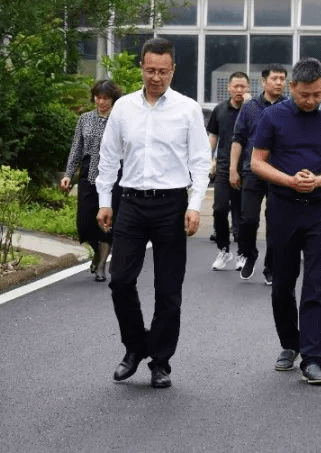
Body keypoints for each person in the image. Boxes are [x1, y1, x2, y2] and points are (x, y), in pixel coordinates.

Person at [97, 37, 210, 390]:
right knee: (120, 280)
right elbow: (108, 156)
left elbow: (200, 162)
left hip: (171, 206)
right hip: (131, 202)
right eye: (150, 70)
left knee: (168, 289)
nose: (156, 77)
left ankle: (160, 361)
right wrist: (104, 200)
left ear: (173, 70)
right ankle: (135, 346)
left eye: (163, 71)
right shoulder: (124, 108)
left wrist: (195, 205)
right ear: (141, 68)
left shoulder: (187, 109)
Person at [251, 58, 321, 385]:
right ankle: (289, 344)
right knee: (282, 283)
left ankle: (313, 358)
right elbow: (257, 162)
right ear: (292, 87)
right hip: (283, 208)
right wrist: (289, 180)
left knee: (315, 283)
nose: (311, 101)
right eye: (305, 94)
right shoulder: (272, 116)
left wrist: (319, 181)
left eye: (317, 94)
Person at [61, 80, 123, 282]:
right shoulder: (85, 119)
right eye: (98, 97)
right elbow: (76, 148)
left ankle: (102, 266)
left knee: (106, 222)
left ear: (113, 99)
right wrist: (68, 174)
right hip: (88, 174)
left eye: (106, 98)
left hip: (113, 176)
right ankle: (97, 253)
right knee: (85, 222)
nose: (101, 102)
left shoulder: (120, 120)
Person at [230, 65, 287, 283]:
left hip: (279, 173)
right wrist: (233, 169)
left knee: (275, 222)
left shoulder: (289, 107)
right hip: (252, 170)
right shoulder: (250, 107)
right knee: (248, 219)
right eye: (275, 78)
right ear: (264, 82)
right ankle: (250, 254)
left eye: (282, 78)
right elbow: (238, 139)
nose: (279, 82)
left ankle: (270, 266)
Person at [208, 71, 248, 272]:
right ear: (229, 88)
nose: (239, 90)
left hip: (246, 168)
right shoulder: (219, 109)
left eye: (243, 86)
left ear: (248, 88)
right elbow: (213, 136)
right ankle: (223, 249)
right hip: (223, 167)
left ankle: (242, 252)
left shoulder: (252, 110)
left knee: (242, 213)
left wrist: (248, 106)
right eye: (236, 86)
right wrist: (209, 159)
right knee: (219, 209)